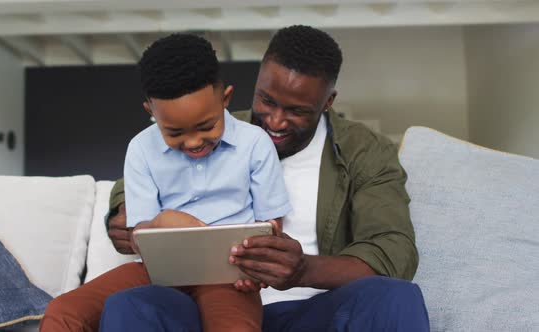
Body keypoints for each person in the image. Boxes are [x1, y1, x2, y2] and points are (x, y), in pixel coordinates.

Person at [43, 25, 429, 331]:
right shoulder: (212, 125)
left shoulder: (365, 150)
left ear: (328, 102)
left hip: (309, 310)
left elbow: (394, 250)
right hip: (193, 303)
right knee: (130, 305)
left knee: (398, 298)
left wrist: (303, 270)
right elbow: (139, 178)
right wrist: (125, 216)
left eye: (297, 110)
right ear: (251, 85)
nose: (276, 121)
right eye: (267, 100)